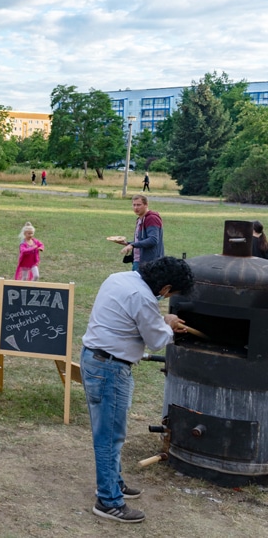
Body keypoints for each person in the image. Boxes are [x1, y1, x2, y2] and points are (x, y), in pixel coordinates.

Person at [81, 256, 194, 523]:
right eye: (171, 294)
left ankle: (113, 483)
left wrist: (160, 318)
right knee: (109, 436)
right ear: (165, 288)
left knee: (108, 431)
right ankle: (108, 501)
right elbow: (155, 340)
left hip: (93, 359)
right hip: (110, 369)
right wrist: (167, 323)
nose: (167, 297)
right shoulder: (144, 298)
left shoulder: (119, 278)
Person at [110, 195, 163, 271]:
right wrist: (127, 243)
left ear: (146, 205)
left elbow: (153, 240)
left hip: (149, 263)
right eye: (134, 205)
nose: (136, 208)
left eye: (139, 205)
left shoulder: (151, 218)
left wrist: (132, 245)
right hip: (138, 261)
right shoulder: (140, 219)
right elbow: (141, 241)